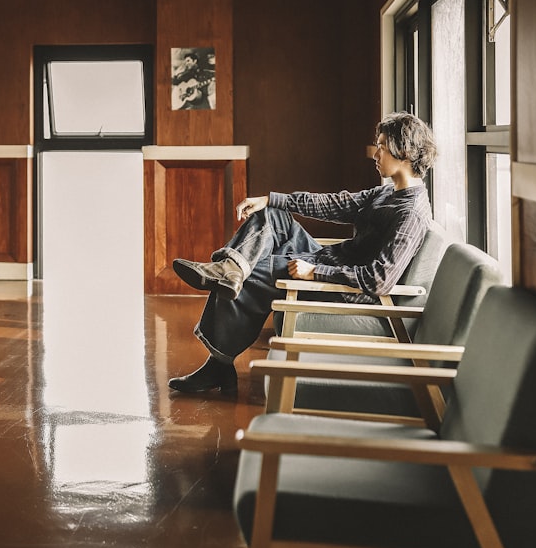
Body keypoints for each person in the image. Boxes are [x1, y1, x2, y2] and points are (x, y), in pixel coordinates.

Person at [168, 112, 437, 394]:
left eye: (382, 145)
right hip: (329, 259)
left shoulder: (410, 214)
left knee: (248, 274)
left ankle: (218, 363)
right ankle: (229, 268)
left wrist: (315, 272)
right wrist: (270, 199)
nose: (376, 153)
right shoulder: (387, 193)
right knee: (271, 214)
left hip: (339, 285)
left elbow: (379, 279)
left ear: (404, 151)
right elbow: (334, 204)